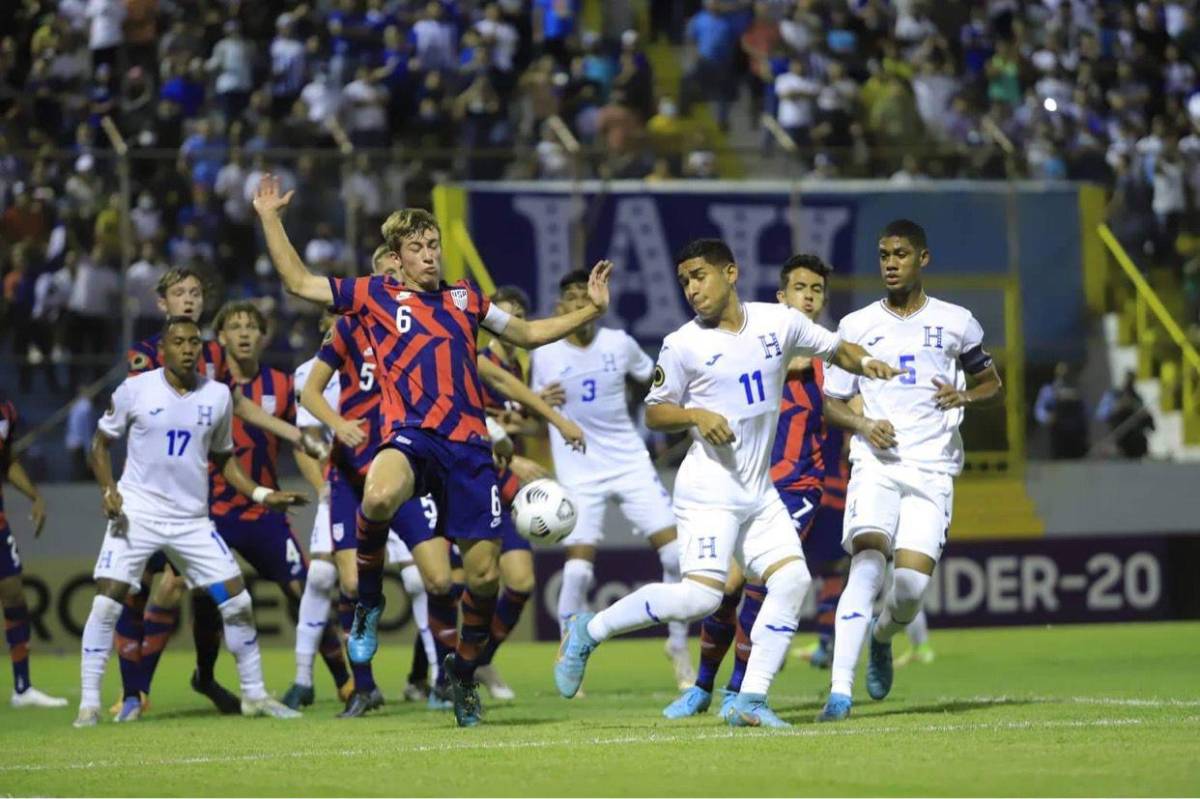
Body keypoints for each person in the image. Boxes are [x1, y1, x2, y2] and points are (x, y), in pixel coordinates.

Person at [251, 173, 605, 729]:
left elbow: (530, 334)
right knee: (380, 490)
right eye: (416, 247)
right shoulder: (373, 296)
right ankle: (367, 601)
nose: (428, 255)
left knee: (482, 578)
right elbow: (298, 282)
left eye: (433, 244)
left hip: (469, 450)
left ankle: (462, 676)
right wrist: (270, 217)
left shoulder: (466, 298)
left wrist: (589, 311)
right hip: (413, 438)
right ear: (396, 256)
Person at [555, 239, 898, 727]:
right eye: (685, 281)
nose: (692, 289)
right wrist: (694, 413)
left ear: (730, 273)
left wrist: (866, 364)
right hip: (708, 490)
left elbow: (835, 347)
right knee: (702, 598)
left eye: (699, 276)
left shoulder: (778, 322)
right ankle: (590, 629)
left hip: (758, 493)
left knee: (793, 580)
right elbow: (654, 411)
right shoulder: (682, 344)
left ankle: (750, 700)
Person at [110, 268, 325, 720]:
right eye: (178, 293)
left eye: (195, 292)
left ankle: (166, 689)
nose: (188, 299)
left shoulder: (211, 358)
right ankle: (133, 692)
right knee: (137, 588)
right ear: (162, 302)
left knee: (176, 587)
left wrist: (295, 433)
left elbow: (239, 404)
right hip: (148, 494)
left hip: (193, 500)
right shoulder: (145, 355)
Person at [76, 316, 306, 727]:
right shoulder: (135, 389)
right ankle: (90, 704)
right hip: (138, 513)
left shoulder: (216, 396)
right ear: (162, 349)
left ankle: (255, 696)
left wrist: (261, 494)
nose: (187, 349)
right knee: (107, 600)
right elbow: (100, 443)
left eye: (194, 343)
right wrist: (108, 490)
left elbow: (223, 460)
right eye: (178, 342)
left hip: (192, 520)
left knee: (237, 601)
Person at [817, 219, 1003, 722]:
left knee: (910, 590)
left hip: (933, 469)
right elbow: (830, 402)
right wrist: (862, 423)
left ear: (923, 259)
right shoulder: (855, 327)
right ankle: (839, 693)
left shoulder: (957, 321)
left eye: (900, 253)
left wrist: (964, 393)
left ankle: (882, 637)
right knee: (868, 562)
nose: (890, 263)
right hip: (875, 465)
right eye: (883, 255)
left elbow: (992, 383)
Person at [662, 253, 847, 718]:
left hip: (797, 486)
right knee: (724, 588)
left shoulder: (828, 360)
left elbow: (843, 399)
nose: (809, 296)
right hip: (744, 485)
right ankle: (703, 686)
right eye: (800, 288)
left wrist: (865, 422)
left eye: (817, 290)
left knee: (761, 585)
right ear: (781, 299)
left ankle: (739, 693)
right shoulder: (761, 342)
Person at [530, 270, 695, 691]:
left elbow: (654, 381)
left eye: (586, 296)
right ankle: (571, 649)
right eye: (570, 298)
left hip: (629, 463)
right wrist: (538, 405)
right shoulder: (545, 352)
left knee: (677, 556)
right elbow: (530, 414)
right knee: (579, 572)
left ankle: (677, 647)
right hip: (579, 471)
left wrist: (666, 421)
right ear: (559, 308)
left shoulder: (619, 344)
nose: (578, 304)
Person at [0, 393, 66, 708]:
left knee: (13, 593)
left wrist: (34, 496)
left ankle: (22, 688)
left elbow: (7, 460)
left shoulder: (6, 411)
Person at [1095, 370, 1155, 459]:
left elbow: (1146, 420)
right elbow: (1102, 414)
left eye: (1132, 381)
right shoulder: (1113, 395)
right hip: (1118, 437)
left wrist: (1136, 409)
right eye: (1127, 380)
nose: (1129, 383)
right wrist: (1118, 407)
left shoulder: (1137, 398)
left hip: (1135, 440)